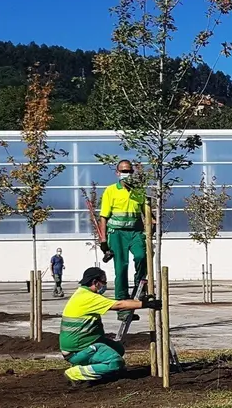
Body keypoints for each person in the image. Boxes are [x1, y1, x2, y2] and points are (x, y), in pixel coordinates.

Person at [60, 267, 160, 386]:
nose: (105, 285)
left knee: (118, 349)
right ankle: (76, 372)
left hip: (82, 344)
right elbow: (118, 305)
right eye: (103, 282)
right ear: (95, 282)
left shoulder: (82, 293)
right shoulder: (88, 297)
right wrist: (146, 304)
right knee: (115, 361)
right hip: (77, 350)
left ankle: (86, 364)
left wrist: (139, 302)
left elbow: (119, 303)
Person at [99, 159, 148, 314]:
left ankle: (140, 287)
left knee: (141, 256)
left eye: (129, 171)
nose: (127, 174)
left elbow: (146, 211)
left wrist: (152, 222)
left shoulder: (138, 191)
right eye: (124, 171)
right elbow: (103, 217)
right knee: (121, 268)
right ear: (117, 173)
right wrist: (103, 241)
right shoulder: (110, 191)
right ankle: (123, 307)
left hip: (136, 232)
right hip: (117, 233)